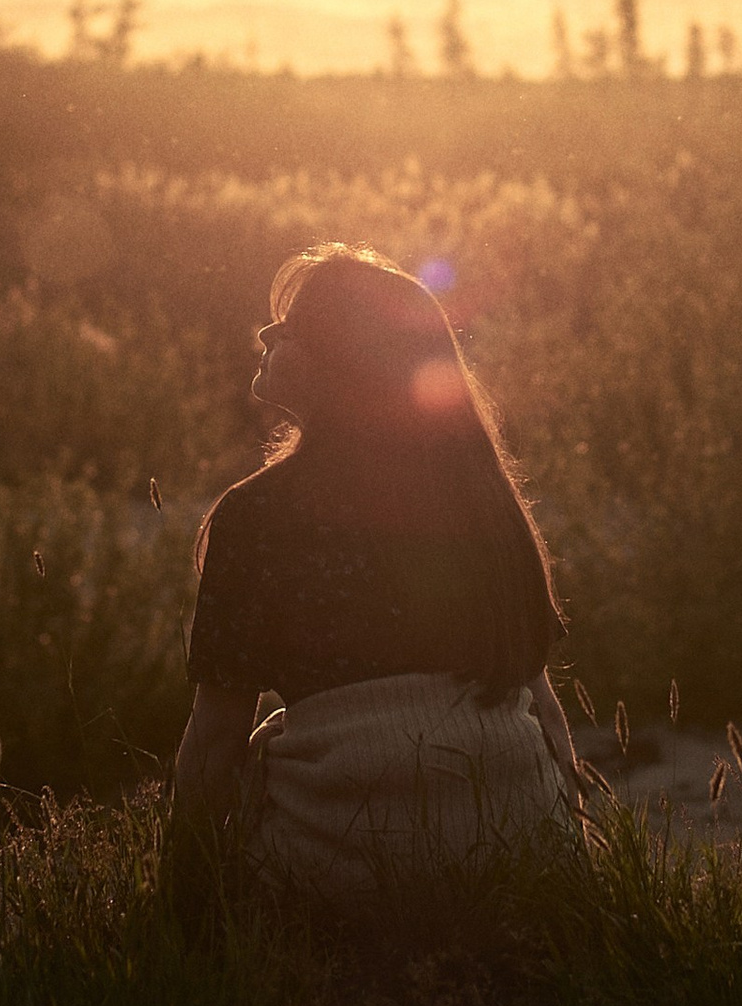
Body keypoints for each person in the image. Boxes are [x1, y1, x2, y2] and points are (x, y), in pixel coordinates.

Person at [170, 245, 582, 891]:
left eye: (287, 326)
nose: (265, 334)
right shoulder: (479, 495)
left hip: (341, 863)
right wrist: (577, 873)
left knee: (260, 756)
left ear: (339, 361)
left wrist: (178, 905)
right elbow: (545, 711)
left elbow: (217, 735)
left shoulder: (257, 514)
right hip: (518, 853)